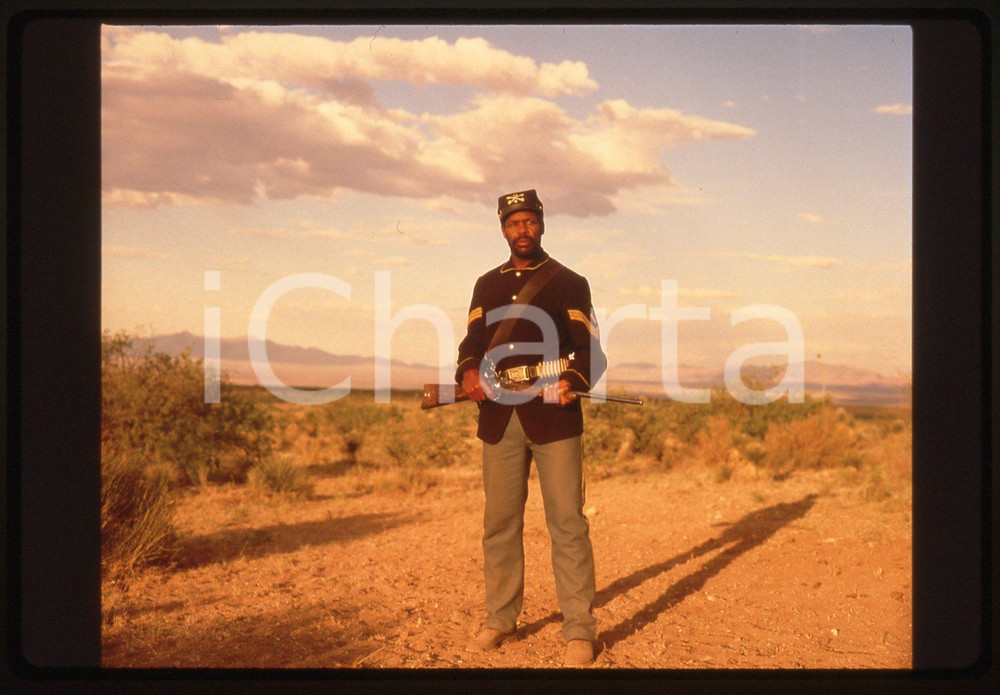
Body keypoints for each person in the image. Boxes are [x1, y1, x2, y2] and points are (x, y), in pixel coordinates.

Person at [456, 189, 607, 667]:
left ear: (541, 224)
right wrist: (466, 371)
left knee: (567, 523)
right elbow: (473, 341)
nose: (522, 230)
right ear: (502, 229)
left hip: (554, 418)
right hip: (500, 420)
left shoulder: (569, 282)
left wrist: (572, 382)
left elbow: (589, 352)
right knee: (499, 524)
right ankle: (501, 619)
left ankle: (579, 629)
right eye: (512, 223)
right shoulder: (485, 284)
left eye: (529, 221)